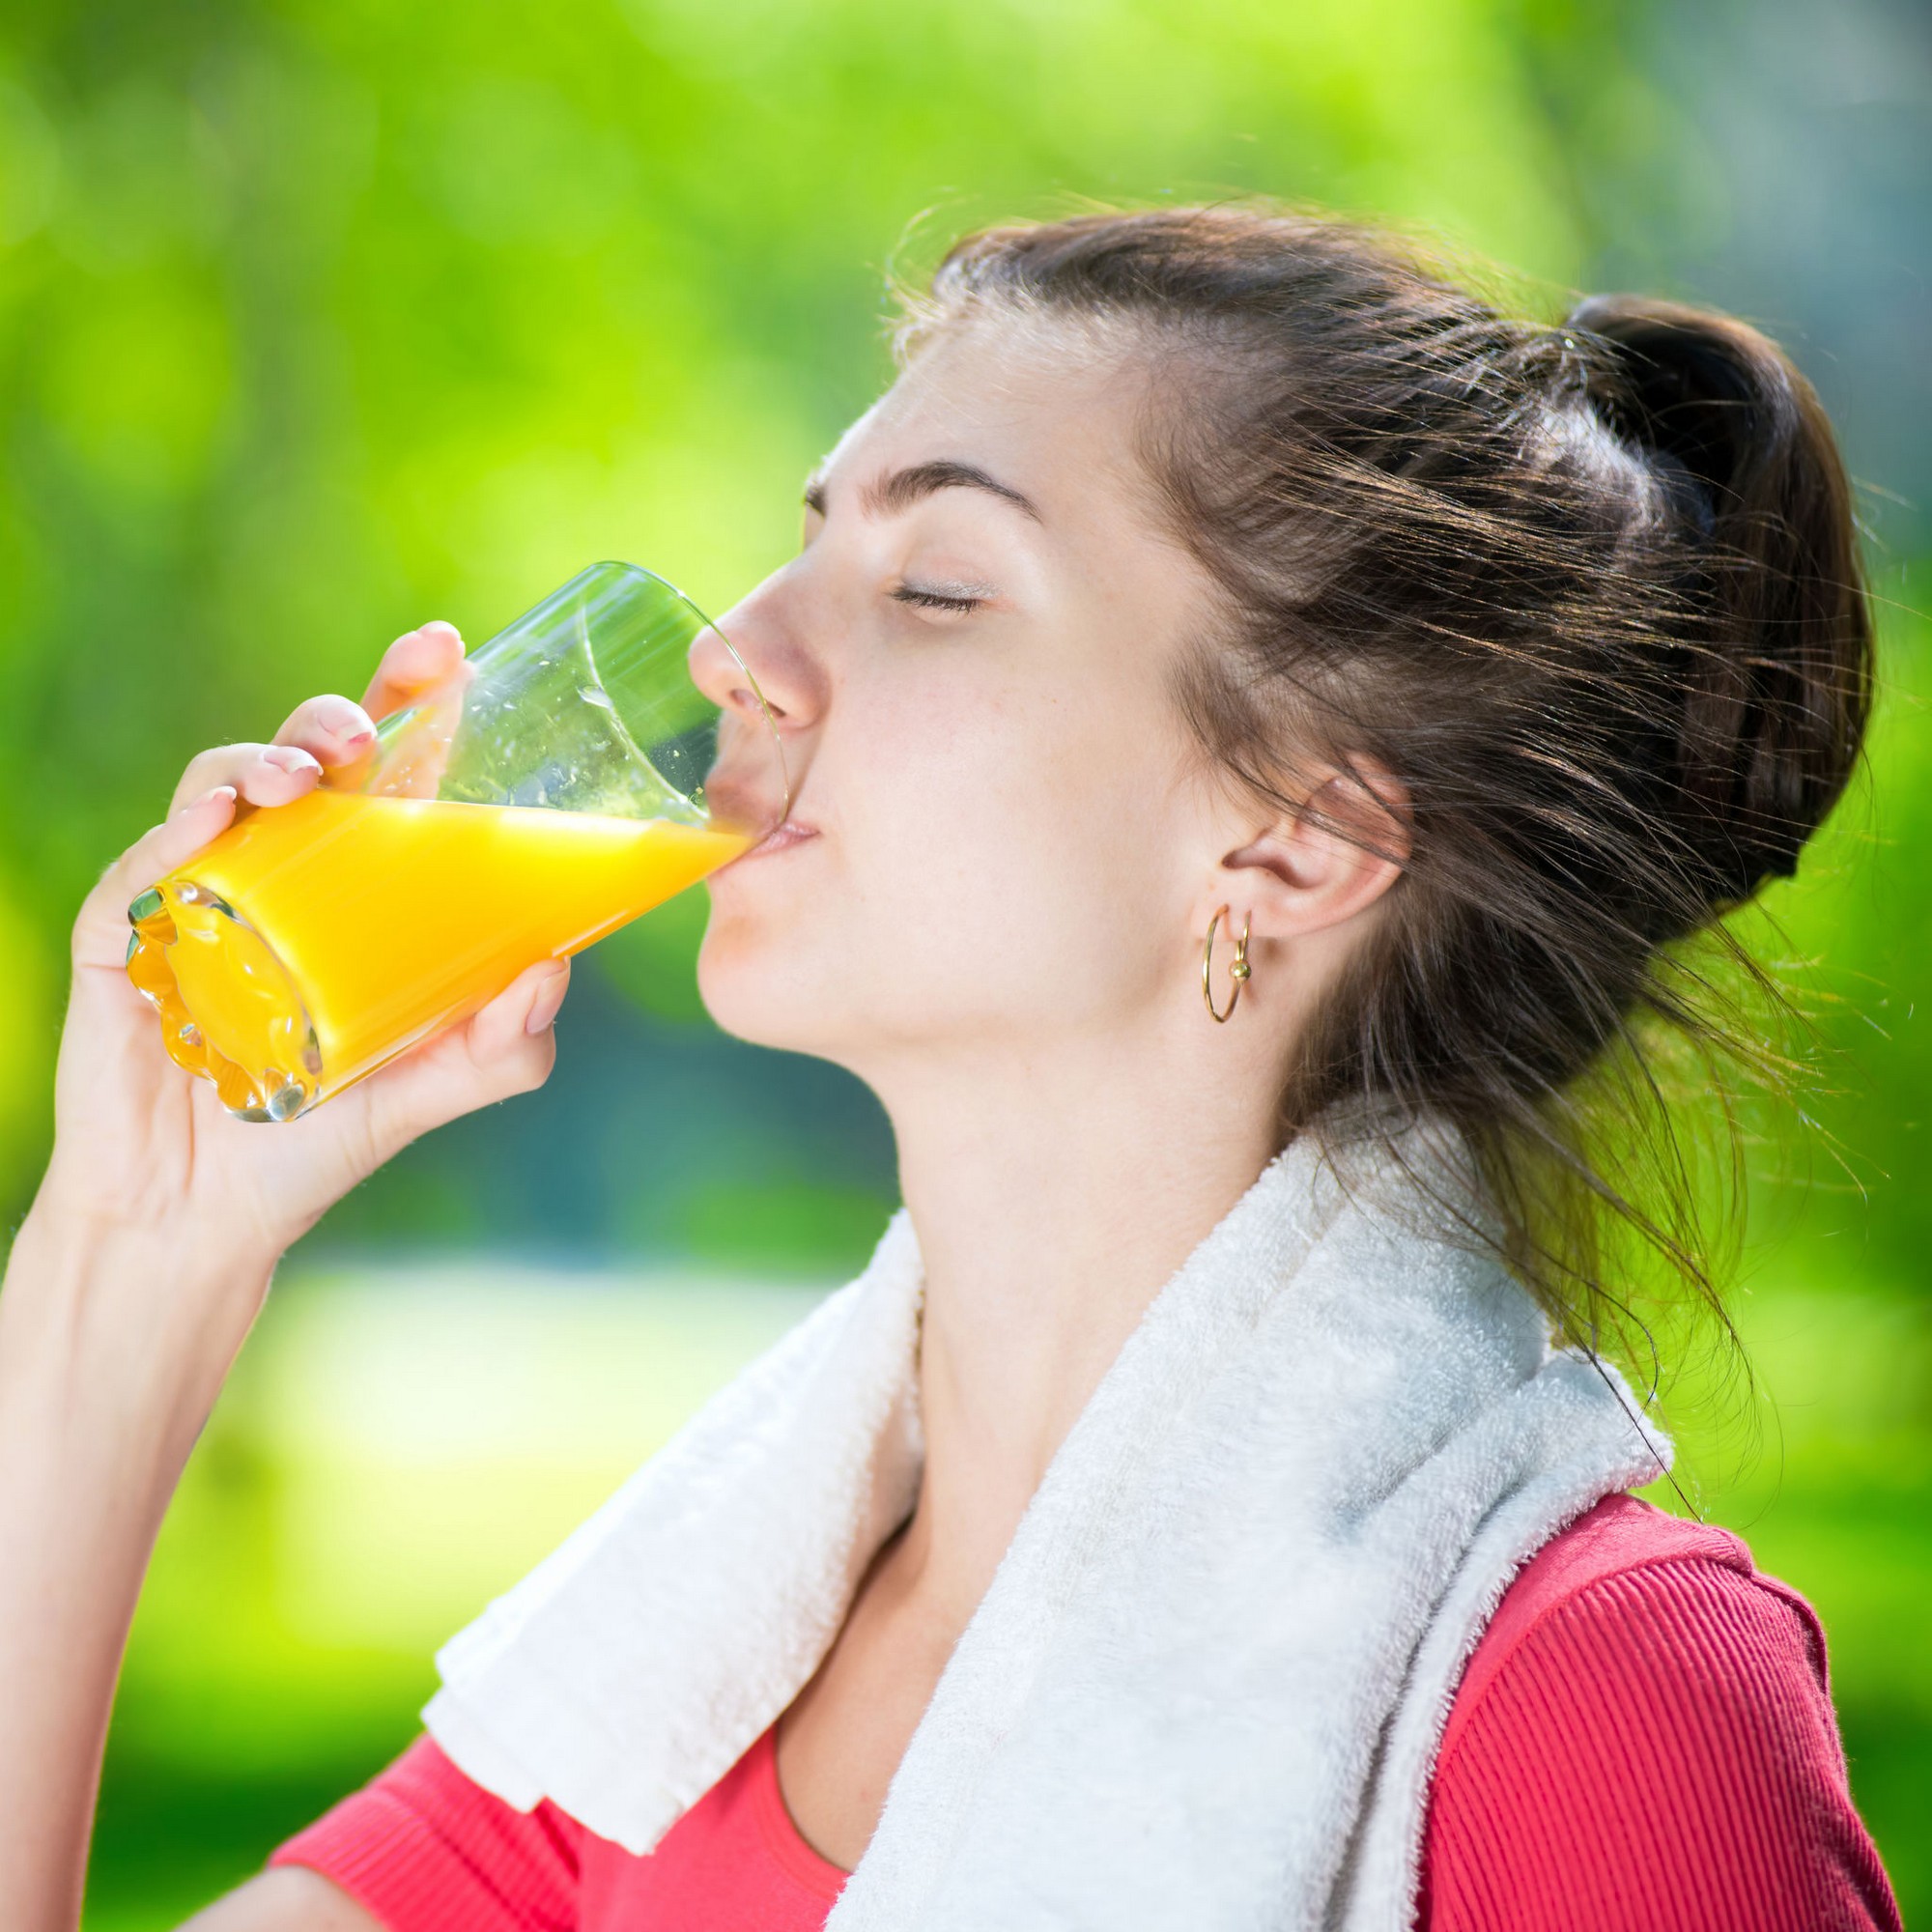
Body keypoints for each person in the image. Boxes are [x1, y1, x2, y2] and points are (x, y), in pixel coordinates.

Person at [0, 206, 1904, 1932]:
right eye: (808, 538)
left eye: (935, 585)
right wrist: (136, 1250)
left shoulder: (1600, 1709)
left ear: (1297, 841)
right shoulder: (669, 1689)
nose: (737, 647)